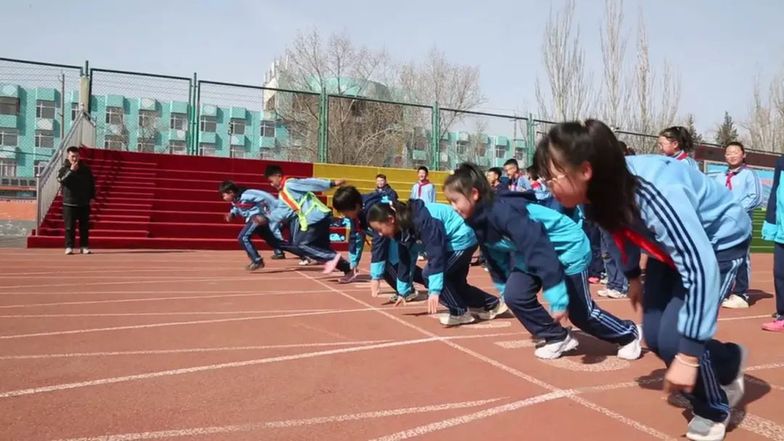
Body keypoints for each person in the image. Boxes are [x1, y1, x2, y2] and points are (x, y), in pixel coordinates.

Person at [537, 119, 748, 441]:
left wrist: (689, 356)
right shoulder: (599, 194)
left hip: (717, 244)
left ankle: (714, 409)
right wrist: (633, 275)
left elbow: (700, 266)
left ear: (585, 171)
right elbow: (621, 231)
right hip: (670, 249)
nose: (547, 184)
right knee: (654, 335)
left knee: (679, 340)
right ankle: (727, 361)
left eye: (553, 176)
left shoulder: (655, 192)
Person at [443, 162, 641, 360]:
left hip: (568, 248)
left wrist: (557, 298)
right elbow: (495, 255)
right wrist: (504, 284)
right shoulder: (476, 219)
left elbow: (541, 249)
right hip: (531, 253)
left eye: (454, 201)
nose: (452, 208)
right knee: (515, 295)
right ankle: (557, 337)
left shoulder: (504, 212)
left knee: (581, 314)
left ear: (474, 194)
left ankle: (628, 333)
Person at [367, 198, 507, 326]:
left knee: (429, 275)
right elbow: (405, 259)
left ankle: (460, 313)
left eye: (379, 229)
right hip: (452, 242)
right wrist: (402, 290)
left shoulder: (422, 220)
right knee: (455, 283)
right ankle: (492, 304)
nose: (380, 234)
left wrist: (434, 291)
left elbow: (436, 253)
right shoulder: (400, 230)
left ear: (391, 219)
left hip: (461, 238)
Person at [332, 185, 425, 302]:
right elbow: (356, 236)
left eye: (345, 212)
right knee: (389, 264)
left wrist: (375, 278)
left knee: (395, 263)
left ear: (355, 206)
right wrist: (353, 262)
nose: (343, 215)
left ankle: (428, 284)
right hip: (388, 234)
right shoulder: (356, 214)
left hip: (398, 231)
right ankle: (406, 289)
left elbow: (379, 242)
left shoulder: (373, 211)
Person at [263, 165, 351, 275]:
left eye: (271, 181)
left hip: (315, 217)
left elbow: (310, 183)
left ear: (278, 176)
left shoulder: (290, 184)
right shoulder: (283, 193)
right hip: (317, 218)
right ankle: (348, 270)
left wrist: (331, 183)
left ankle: (332, 258)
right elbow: (282, 211)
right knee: (323, 248)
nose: (271, 184)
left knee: (300, 244)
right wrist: (266, 218)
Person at [714, 142, 763, 309]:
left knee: (742, 257)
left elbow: (755, 197)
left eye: (735, 152)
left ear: (743, 155)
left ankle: (741, 293)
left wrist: (734, 210)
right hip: (722, 223)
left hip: (741, 222)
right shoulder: (720, 177)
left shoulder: (750, 174)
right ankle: (724, 290)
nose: (732, 155)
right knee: (722, 256)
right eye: (728, 153)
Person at [219, 181, 293, 271]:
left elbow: (266, 197)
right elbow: (237, 208)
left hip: (257, 218)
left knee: (243, 237)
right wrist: (232, 214)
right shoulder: (235, 200)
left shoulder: (247, 194)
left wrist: (272, 212)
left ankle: (257, 261)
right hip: (255, 220)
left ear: (231, 192)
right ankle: (303, 252)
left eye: (224, 195)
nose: (223, 198)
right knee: (275, 242)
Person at [57, 146, 95, 255]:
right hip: (69, 202)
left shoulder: (85, 169)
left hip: (84, 202)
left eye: (77, 156)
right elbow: (62, 180)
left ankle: (84, 246)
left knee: (84, 226)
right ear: (68, 156)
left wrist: (92, 197)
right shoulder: (64, 169)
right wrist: (71, 171)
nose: (75, 158)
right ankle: (69, 247)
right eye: (72, 156)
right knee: (70, 227)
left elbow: (91, 184)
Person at [761, 155, 784, 332]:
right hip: (782, 230)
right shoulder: (781, 161)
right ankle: (782, 315)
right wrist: (770, 222)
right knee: (780, 273)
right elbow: (776, 191)